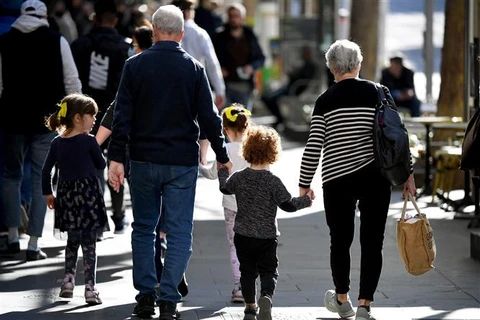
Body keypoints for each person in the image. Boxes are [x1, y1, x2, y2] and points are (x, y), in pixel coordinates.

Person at [107, 5, 232, 320]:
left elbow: (122, 116)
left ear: (153, 29)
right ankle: (168, 298)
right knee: (178, 231)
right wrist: (222, 153)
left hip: (143, 158)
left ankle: (145, 297)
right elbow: (209, 117)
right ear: (182, 33)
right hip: (180, 161)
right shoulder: (193, 69)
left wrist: (116, 158)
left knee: (143, 228)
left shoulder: (134, 67)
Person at [298, 40, 416, 320]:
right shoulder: (378, 92)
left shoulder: (324, 100)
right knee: (372, 240)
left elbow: (314, 145)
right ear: (358, 64)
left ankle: (342, 299)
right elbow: (398, 137)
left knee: (340, 240)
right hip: (376, 176)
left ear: (332, 68)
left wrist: (304, 184)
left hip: (337, 179)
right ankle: (365, 305)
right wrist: (408, 174)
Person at [0, 0, 82, 260]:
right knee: (40, 179)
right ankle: (34, 243)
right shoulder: (57, 40)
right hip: (48, 121)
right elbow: (72, 81)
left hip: (11, 120)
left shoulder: (5, 41)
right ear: (45, 16)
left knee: (10, 175)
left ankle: (12, 236)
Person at [218, 124, 312, 320]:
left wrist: (222, 171)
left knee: (247, 272)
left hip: (243, 235)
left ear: (247, 150)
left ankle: (250, 307)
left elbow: (225, 189)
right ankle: (266, 297)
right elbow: (289, 205)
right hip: (267, 237)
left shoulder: (239, 177)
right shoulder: (273, 181)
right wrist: (307, 200)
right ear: (273, 153)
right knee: (269, 271)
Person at [41, 93, 107, 305]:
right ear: (78, 118)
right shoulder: (88, 141)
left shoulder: (57, 143)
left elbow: (46, 171)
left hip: (67, 199)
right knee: (89, 243)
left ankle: (68, 282)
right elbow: (101, 164)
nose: (95, 120)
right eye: (92, 115)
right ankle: (90, 288)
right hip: (88, 198)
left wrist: (49, 193)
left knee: (72, 241)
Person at [199, 103, 252, 303]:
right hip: (253, 206)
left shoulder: (226, 150)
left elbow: (213, 174)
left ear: (225, 129)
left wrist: (201, 166)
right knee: (251, 244)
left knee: (234, 246)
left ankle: (238, 287)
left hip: (231, 207)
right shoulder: (251, 149)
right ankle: (251, 283)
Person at [172, 0, 225, 110]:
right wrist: (220, 90)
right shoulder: (200, 33)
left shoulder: (167, 33)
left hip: (173, 86)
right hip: (196, 86)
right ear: (188, 12)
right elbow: (212, 63)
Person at [213, 3, 265, 111]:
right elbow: (212, 59)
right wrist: (220, 69)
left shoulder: (249, 35)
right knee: (226, 121)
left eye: (236, 16)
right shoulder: (220, 36)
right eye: (231, 16)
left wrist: (251, 67)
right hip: (225, 86)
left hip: (245, 87)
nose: (233, 19)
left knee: (243, 121)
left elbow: (261, 58)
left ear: (242, 18)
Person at [261, 45, 318, 129]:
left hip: (294, 89)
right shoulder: (304, 64)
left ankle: (280, 119)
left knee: (269, 98)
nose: (302, 54)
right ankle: (279, 118)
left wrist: (292, 75)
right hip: (289, 87)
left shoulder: (310, 66)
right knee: (266, 96)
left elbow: (303, 78)